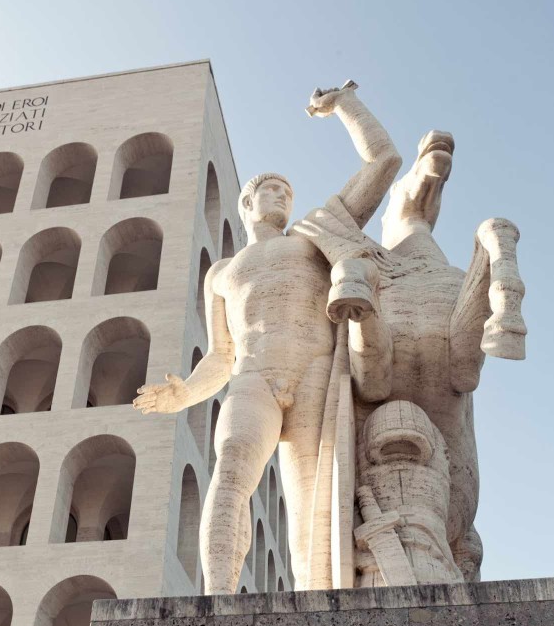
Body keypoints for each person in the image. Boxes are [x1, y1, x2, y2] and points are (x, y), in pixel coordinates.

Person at [134, 82, 401, 593]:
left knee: (313, 512)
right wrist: (187, 391)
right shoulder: (222, 274)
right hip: (252, 376)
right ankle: (216, 600)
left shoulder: (313, 235)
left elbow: (383, 162)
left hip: (317, 372)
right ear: (248, 202)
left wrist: (344, 105)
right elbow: (222, 353)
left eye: (288, 191)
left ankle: (320, 607)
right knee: (231, 468)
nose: (282, 195)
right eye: (271, 190)